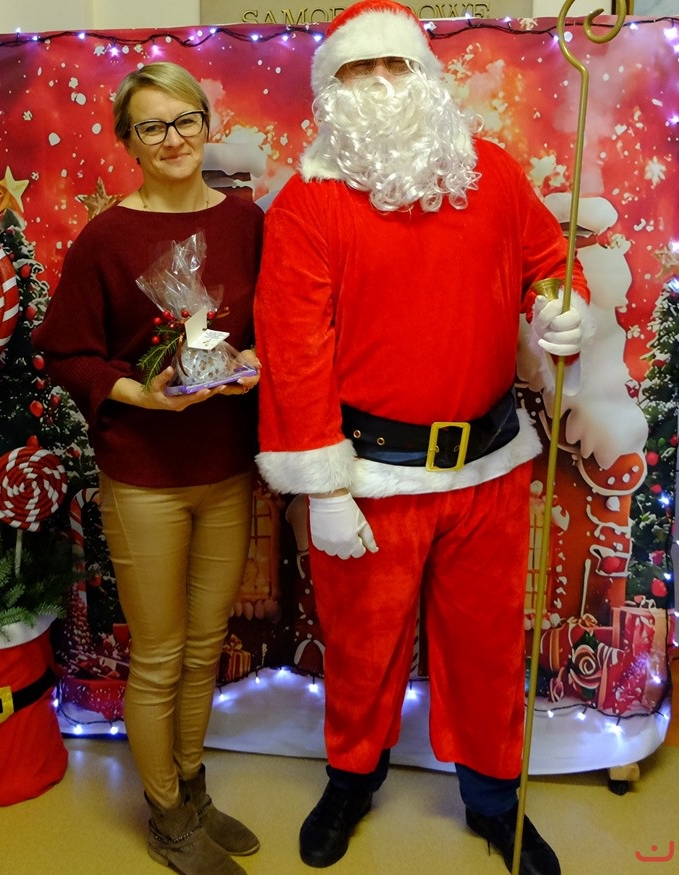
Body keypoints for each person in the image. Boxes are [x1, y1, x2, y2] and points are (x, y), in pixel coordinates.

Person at [253, 3, 590, 874]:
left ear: (427, 76)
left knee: (486, 647)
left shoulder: (492, 173)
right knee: (361, 648)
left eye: (394, 65)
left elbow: (548, 260)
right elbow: (293, 349)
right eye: (357, 70)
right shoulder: (307, 203)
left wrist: (562, 305)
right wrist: (324, 486)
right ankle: (350, 780)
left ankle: (494, 801)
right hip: (371, 475)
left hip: (490, 465)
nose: (379, 84)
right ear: (331, 90)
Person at [32, 61, 263, 875]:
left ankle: (193, 788)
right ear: (128, 142)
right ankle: (165, 813)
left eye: (184, 119)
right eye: (151, 126)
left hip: (227, 466)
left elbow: (282, 320)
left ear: (207, 123)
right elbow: (66, 352)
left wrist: (258, 362)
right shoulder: (105, 238)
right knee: (161, 655)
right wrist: (142, 393)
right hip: (143, 477)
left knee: (206, 647)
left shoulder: (247, 222)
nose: (172, 138)